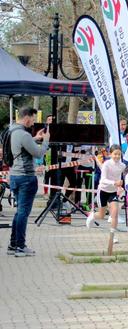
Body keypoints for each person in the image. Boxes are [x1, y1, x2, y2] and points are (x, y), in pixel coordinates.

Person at [7, 107, 50, 257]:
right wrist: (45, 141)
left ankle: (13, 244)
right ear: (26, 118)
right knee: (23, 213)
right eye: (32, 120)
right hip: (26, 177)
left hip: (14, 176)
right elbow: (38, 153)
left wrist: (34, 139)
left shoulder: (11, 130)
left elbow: (20, 145)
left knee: (19, 212)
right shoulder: (24, 134)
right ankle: (20, 245)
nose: (32, 123)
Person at [86, 145, 126, 244]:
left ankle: (113, 235)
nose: (117, 156)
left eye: (119, 154)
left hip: (113, 192)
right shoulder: (107, 164)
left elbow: (120, 178)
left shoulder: (122, 166)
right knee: (101, 215)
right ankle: (92, 216)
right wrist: (114, 183)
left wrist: (120, 184)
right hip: (103, 191)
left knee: (115, 212)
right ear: (110, 154)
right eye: (115, 154)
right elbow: (103, 180)